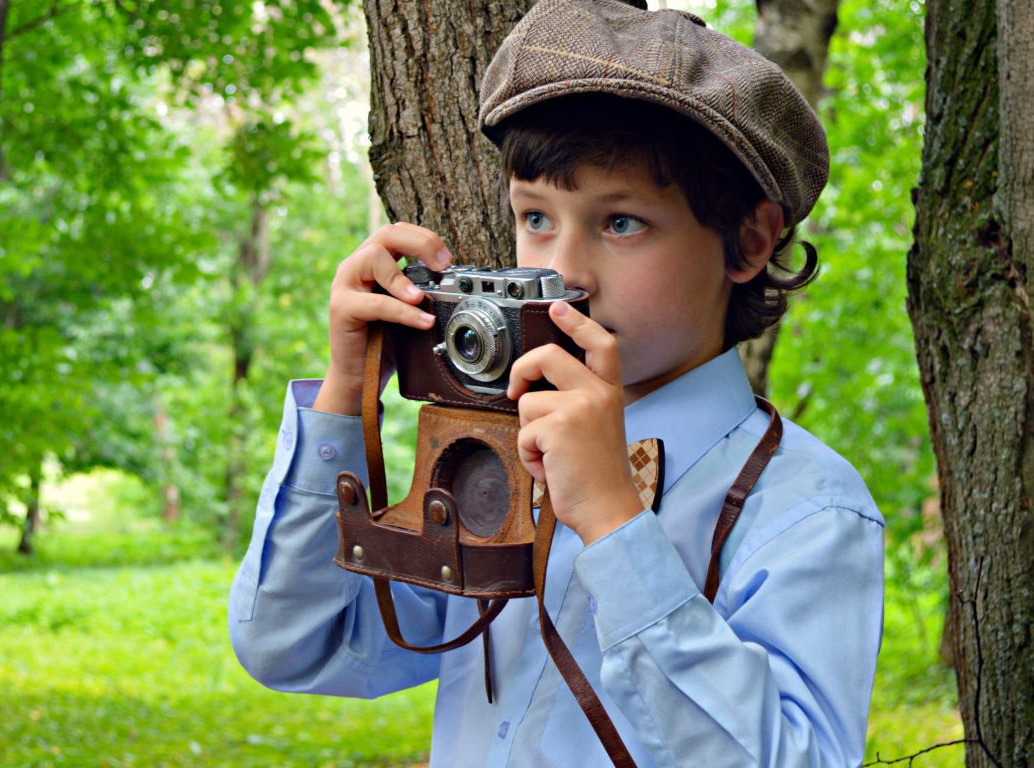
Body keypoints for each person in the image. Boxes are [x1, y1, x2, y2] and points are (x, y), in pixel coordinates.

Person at [228, 1, 884, 765]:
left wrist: (614, 524)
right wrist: (348, 389)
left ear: (750, 240)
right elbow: (297, 644)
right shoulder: (489, 466)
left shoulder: (806, 508)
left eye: (621, 224)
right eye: (536, 217)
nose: (562, 269)